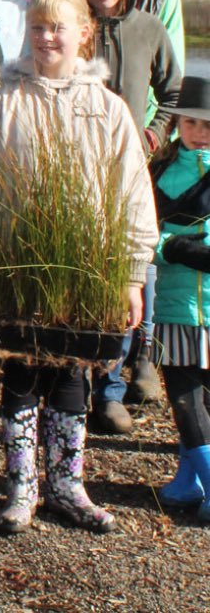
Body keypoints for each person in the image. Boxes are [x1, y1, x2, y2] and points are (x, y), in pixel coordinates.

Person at [0, 0, 157, 533]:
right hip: (19, 267)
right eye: (39, 27)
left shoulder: (109, 108)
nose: (48, 37)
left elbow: (132, 193)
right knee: (21, 370)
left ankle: (67, 484)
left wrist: (130, 274)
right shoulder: (4, 104)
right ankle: (21, 487)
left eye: (59, 27)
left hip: (87, 268)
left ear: (83, 34)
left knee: (73, 372)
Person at [74, 0, 182, 428]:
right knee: (81, 278)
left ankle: (112, 388)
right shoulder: (71, 28)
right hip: (74, 173)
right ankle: (75, 379)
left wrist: (154, 136)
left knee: (130, 276)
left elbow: (175, 90)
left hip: (129, 174)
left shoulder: (147, 28)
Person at [149, 77, 210, 520]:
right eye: (191, 122)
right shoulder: (160, 171)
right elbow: (142, 231)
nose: (199, 132)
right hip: (174, 307)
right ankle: (199, 477)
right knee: (184, 400)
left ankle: (194, 478)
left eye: (207, 124)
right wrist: (172, 248)